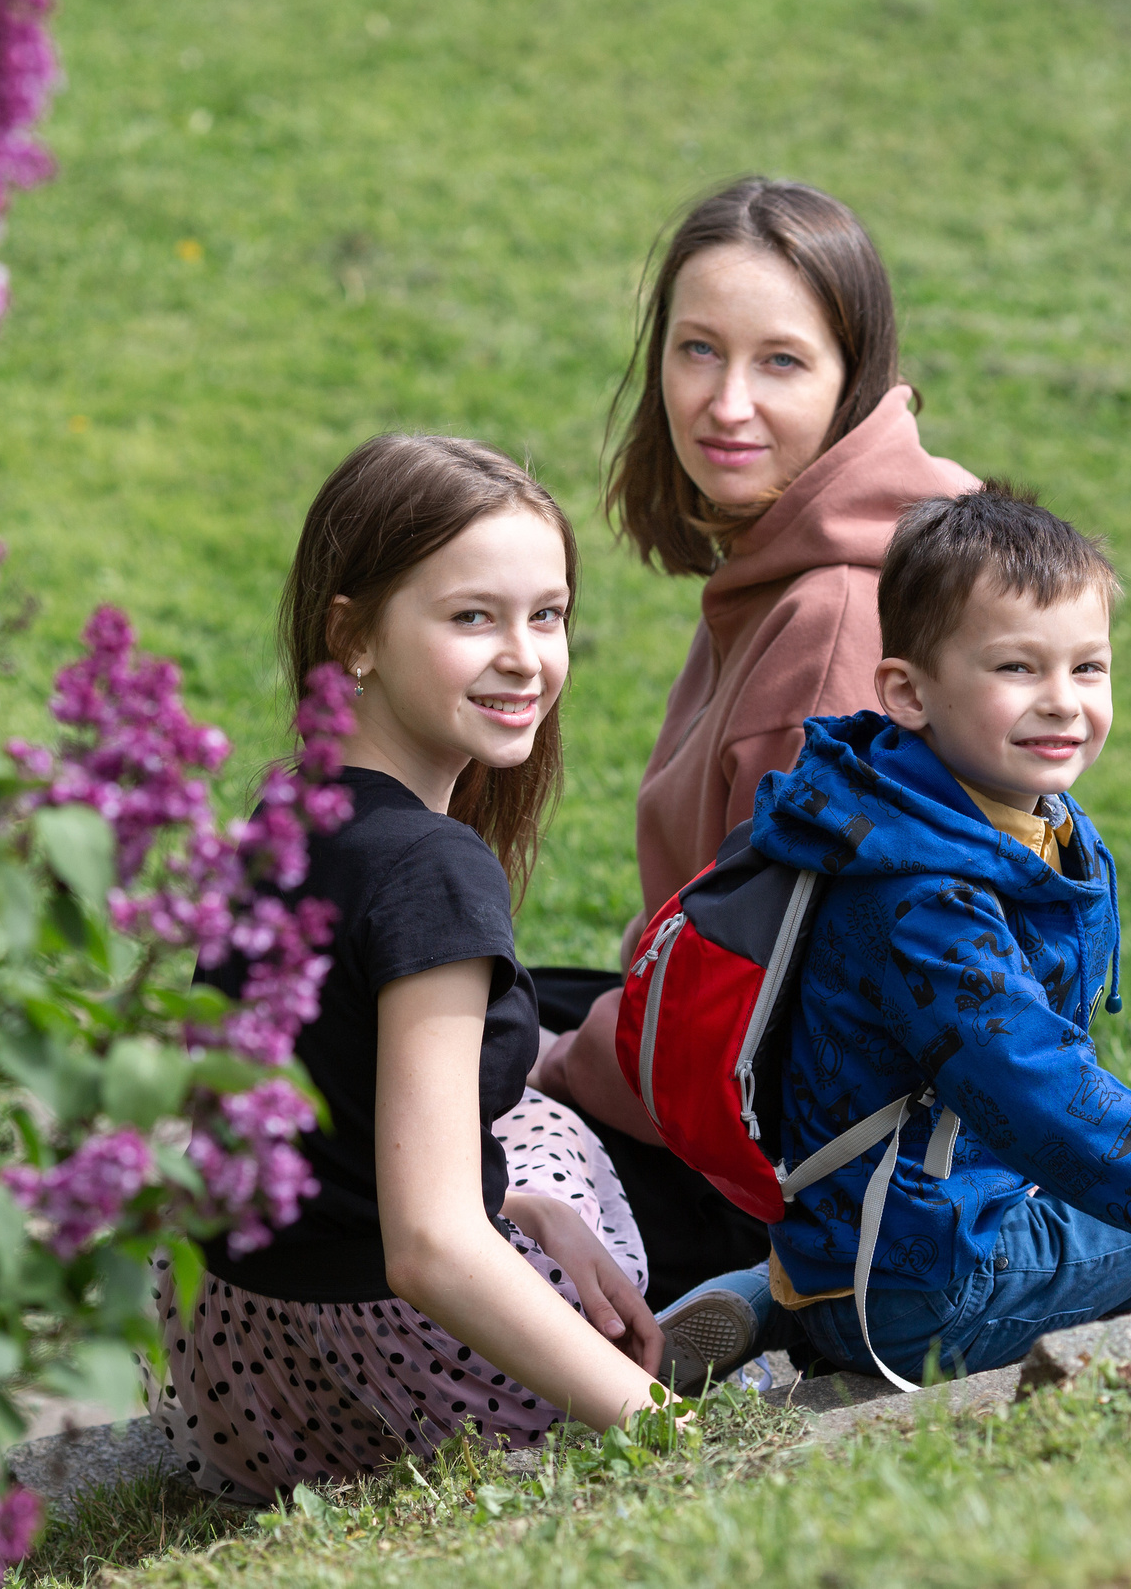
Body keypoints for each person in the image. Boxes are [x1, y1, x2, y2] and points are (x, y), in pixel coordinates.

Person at [666, 485, 1131, 1386]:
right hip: (932, 1295)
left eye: (1088, 668)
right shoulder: (925, 896)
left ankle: (774, 1289)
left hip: (887, 1220)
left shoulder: (964, 814)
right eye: (1018, 669)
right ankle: (820, 1302)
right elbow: (1043, 1093)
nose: (1062, 702)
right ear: (907, 691)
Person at [151, 435, 669, 1502]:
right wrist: (660, 1432)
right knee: (555, 1126)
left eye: (548, 614)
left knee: (523, 1146)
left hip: (236, 1373)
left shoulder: (290, 807)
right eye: (472, 617)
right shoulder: (431, 871)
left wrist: (514, 1208)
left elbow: (325, 1121)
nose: (525, 656)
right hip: (401, 1384)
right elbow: (428, 1248)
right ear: (354, 636)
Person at [526, 177, 979, 1316]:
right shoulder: (785, 567)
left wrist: (544, 1073)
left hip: (777, 1179)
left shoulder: (831, 619)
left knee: (425, 1123)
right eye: (696, 351)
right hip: (729, 1083)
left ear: (850, 382)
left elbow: (747, 1015)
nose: (725, 404)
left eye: (780, 362)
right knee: (437, 1007)